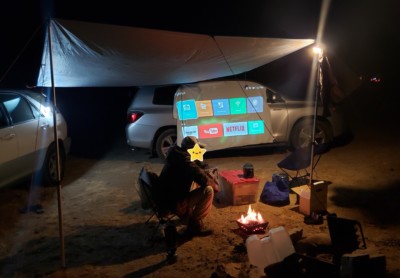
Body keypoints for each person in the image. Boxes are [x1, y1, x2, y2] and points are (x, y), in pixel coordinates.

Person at [156, 136, 219, 238]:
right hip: (174, 202)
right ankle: (194, 226)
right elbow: (199, 176)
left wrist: (203, 168)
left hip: (168, 197)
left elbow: (196, 168)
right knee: (208, 190)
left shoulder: (177, 155)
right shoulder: (184, 161)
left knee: (196, 184)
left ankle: (188, 218)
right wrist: (214, 185)